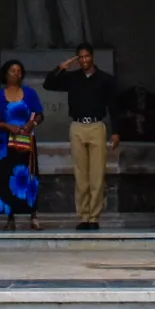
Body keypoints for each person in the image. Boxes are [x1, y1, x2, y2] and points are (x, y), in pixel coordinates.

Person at [41, 44, 117, 230]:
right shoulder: (72, 78)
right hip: (77, 126)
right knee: (81, 174)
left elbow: (114, 106)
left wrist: (116, 131)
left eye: (86, 57)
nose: (83, 60)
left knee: (97, 174)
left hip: (97, 126)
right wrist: (61, 67)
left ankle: (94, 218)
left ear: (92, 57)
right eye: (80, 57)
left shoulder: (105, 79)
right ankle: (83, 216)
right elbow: (48, 84)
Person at [0, 57, 44, 230]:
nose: (17, 74)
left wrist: (31, 124)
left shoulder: (30, 93)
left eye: (19, 71)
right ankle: (10, 218)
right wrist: (6, 125)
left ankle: (33, 216)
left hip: (26, 143)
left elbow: (39, 114)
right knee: (5, 178)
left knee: (29, 178)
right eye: (13, 71)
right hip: (5, 144)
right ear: (5, 74)